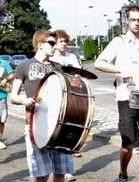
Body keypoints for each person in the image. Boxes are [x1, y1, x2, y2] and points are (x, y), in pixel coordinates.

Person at [94, 6, 139, 182]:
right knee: (128, 144)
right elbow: (99, 63)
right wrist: (119, 69)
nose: (136, 23)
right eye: (133, 20)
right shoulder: (118, 42)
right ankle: (123, 173)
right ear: (127, 21)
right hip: (126, 98)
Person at [10, 30, 74, 182]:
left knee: (60, 172)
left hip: (58, 126)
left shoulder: (59, 68)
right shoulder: (24, 66)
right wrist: (24, 100)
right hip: (35, 125)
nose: (55, 47)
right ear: (40, 45)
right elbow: (13, 96)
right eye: (51, 43)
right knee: (42, 174)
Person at [50, 29, 82, 182]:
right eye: (60, 41)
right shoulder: (50, 59)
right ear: (54, 44)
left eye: (65, 41)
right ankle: (55, 168)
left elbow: (78, 76)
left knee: (69, 131)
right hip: (56, 98)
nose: (64, 44)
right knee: (56, 132)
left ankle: (66, 169)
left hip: (72, 98)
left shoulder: (72, 57)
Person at [0, 57, 14, 149]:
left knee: (1, 119)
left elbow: (12, 74)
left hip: (1, 96)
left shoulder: (3, 63)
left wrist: (6, 79)